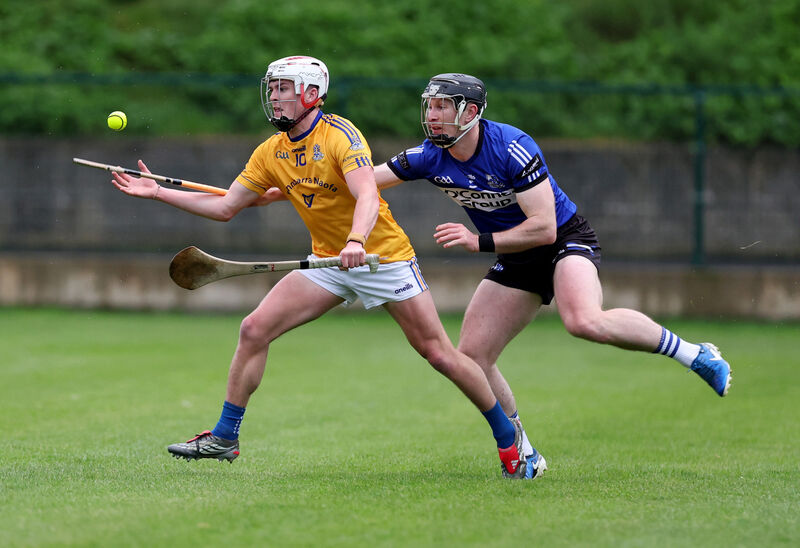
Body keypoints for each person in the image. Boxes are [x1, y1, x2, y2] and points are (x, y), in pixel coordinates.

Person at [109, 57, 543, 479]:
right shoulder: (270, 152)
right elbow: (226, 207)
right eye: (272, 89)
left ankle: (511, 442)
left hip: (381, 258)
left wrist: (357, 240)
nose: (275, 98)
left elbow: (368, 195)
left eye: (284, 89)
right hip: (328, 262)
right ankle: (225, 437)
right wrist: (158, 194)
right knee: (254, 329)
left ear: (312, 94)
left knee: (439, 354)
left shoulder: (341, 136)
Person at [372, 73, 733, 459]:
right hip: (516, 256)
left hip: (564, 239)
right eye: (430, 105)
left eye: (442, 106)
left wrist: (477, 242)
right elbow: (362, 183)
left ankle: (695, 355)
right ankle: (523, 449)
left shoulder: (512, 148)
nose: (432, 114)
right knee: (473, 357)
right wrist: (305, 180)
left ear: (470, 112)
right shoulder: (428, 156)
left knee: (584, 321)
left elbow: (543, 228)